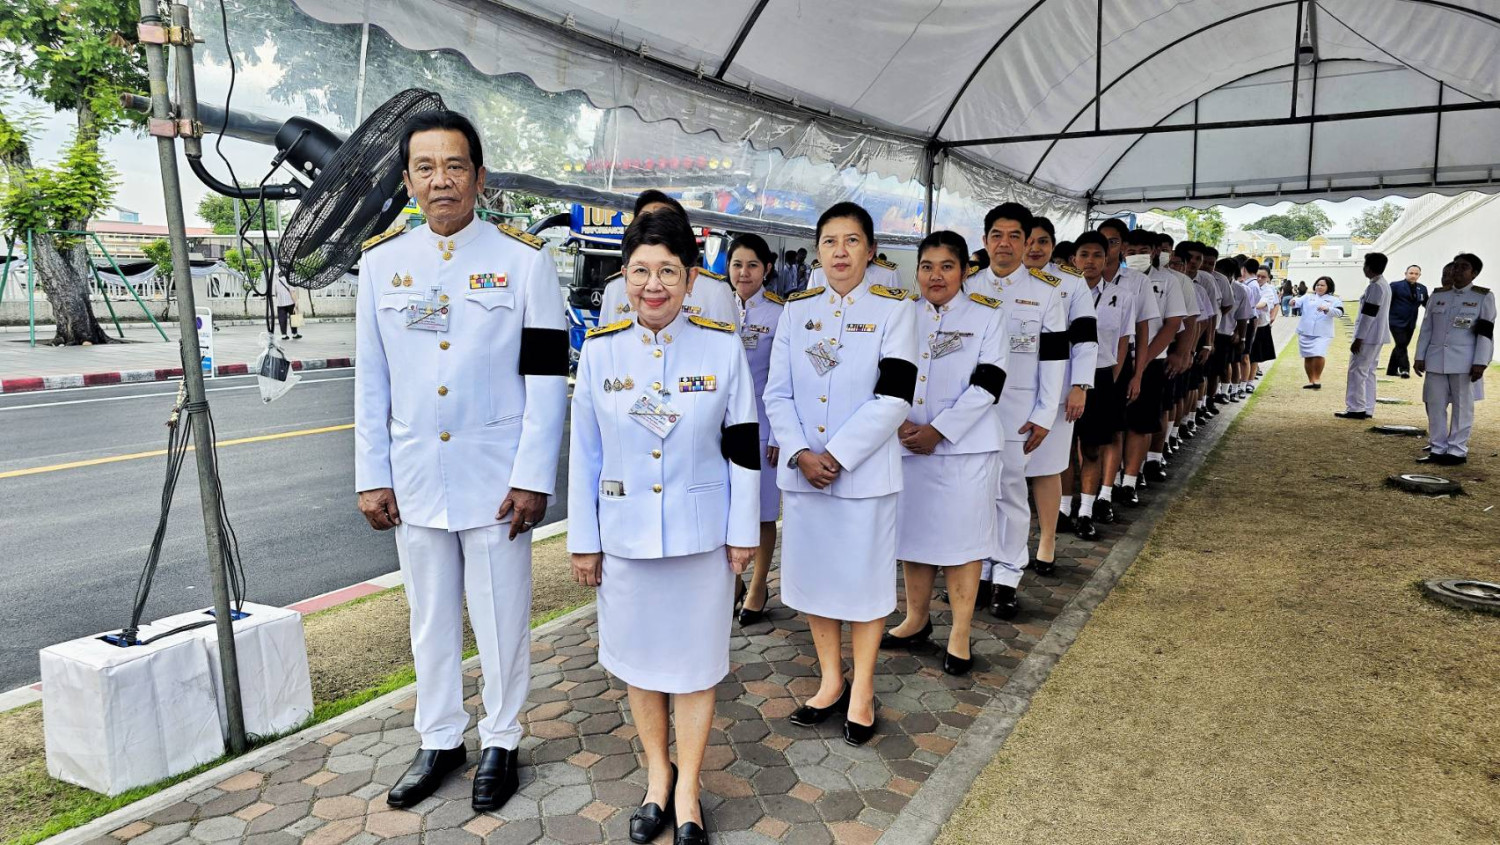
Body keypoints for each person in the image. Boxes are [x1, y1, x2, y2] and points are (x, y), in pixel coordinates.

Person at [355, 110, 569, 812]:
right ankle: (440, 736)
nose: (440, 180)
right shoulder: (382, 262)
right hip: (416, 475)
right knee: (429, 615)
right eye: (425, 167)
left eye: (454, 166)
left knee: (502, 614)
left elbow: (545, 376)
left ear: (479, 176)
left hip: (498, 477)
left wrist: (535, 473)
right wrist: (372, 472)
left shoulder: (523, 259)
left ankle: (501, 738)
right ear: (409, 179)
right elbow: (371, 379)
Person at [568, 210, 760, 844]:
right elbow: (587, 453)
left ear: (690, 277)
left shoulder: (720, 345)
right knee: (643, 668)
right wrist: (584, 541)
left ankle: (688, 794)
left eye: (668, 272)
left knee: (698, 667)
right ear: (624, 276)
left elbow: (743, 446)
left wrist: (743, 532)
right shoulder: (600, 353)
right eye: (641, 271)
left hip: (701, 541)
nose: (654, 285)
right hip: (624, 543)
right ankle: (656, 778)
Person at [764, 201, 917, 746]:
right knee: (816, 581)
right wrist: (803, 450)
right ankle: (830, 680)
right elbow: (776, 392)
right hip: (806, 476)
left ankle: (863, 689)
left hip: (866, 477)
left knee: (865, 585)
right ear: (818, 250)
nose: (840, 252)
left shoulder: (896, 310)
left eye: (852, 241)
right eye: (830, 241)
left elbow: (896, 395)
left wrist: (841, 454)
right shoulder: (795, 309)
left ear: (871, 250)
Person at [881, 231, 1007, 675]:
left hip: (965, 450)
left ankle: (960, 632)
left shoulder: (988, 316)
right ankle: (916, 619)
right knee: (913, 537)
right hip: (906, 443)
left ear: (965, 270)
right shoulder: (900, 314)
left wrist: (940, 430)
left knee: (963, 542)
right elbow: (879, 374)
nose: (936, 276)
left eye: (947, 266)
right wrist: (896, 422)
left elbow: (989, 383)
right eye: (927, 266)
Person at [973, 202, 1067, 617]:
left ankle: (1007, 576)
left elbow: (1054, 359)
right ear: (985, 240)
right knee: (975, 492)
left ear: (1027, 242)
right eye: (997, 235)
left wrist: (1046, 414)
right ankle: (976, 570)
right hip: (972, 412)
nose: (1005, 244)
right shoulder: (967, 287)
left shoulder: (1046, 293)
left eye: (1014, 236)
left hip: (1019, 410)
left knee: (1011, 492)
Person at [1021, 217, 1095, 575]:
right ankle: (1007, 548)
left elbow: (1085, 338)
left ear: (1053, 245)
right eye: (1029, 240)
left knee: (1047, 468)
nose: (1034, 248)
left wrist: (1080, 385)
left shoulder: (1070, 282)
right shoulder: (993, 281)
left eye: (1043, 242)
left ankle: (1047, 540)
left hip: (1058, 390)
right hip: (1006, 392)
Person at [727, 233, 786, 625]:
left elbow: (786, 379)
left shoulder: (781, 314)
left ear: (766, 269)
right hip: (724, 430)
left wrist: (781, 435)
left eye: (751, 265)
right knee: (726, 508)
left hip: (764, 430)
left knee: (763, 514)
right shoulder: (713, 308)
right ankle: (731, 584)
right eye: (736, 264)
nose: (743, 272)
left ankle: (760, 584)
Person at [1068, 232, 1133, 540]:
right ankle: (1063, 508)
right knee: (1063, 449)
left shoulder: (1122, 296)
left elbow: (1122, 341)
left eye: (1097, 255)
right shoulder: (1060, 293)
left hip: (1101, 377)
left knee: (1092, 448)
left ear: (1108, 260)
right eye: (1084, 255)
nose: (1090, 261)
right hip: (1065, 378)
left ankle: (1085, 511)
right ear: (1073, 259)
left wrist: (1113, 377)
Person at [599, 191, 740, 327]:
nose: (652, 287)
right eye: (645, 221)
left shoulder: (715, 290)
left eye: (665, 221)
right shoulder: (614, 288)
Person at [1415, 255, 1494, 465]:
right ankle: (1437, 448)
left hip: (1464, 361)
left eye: (1464, 267)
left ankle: (1457, 450)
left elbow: (1485, 333)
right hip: (1435, 359)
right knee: (1434, 404)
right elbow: (1427, 328)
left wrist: (1481, 361)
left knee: (1462, 406)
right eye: (1456, 267)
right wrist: (1419, 356)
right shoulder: (1438, 295)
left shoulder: (1483, 297)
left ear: (1474, 273)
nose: (1457, 271)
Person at [1337, 252, 1392, 420]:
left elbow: (1369, 314)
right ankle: (1367, 406)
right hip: (1377, 336)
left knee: (1357, 371)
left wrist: (1359, 338)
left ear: (1368, 267)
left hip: (1368, 337)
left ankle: (1356, 407)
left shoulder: (1375, 286)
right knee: (1369, 372)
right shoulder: (1383, 284)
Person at [1295, 277, 1341, 388]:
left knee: (1319, 353)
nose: (1319, 287)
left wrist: (1327, 309)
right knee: (1308, 356)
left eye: (1322, 285)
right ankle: (1311, 380)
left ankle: (1317, 378)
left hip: (1322, 332)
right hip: (1305, 331)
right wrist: (1293, 301)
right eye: (1317, 285)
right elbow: (1297, 302)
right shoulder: (1308, 297)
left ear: (1328, 287)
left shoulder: (1334, 299)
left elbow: (1339, 312)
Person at [1387, 264, 1428, 378]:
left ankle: (1391, 370)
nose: (1413, 276)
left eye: (1416, 274)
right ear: (1405, 274)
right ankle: (1405, 369)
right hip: (1395, 321)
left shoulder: (1422, 288)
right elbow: (1387, 302)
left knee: (1401, 345)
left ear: (1419, 275)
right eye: (1411, 273)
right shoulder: (1395, 286)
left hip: (1410, 322)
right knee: (1401, 344)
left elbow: (1427, 304)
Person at [1250, 267, 1279, 367]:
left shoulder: (1269, 289)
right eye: (1258, 276)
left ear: (1268, 278)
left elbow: (1274, 304)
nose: (1259, 279)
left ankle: (1250, 378)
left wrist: (1273, 317)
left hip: (1261, 323)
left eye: (1263, 277)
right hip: (1248, 323)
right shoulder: (1249, 285)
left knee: (1256, 354)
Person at [273, 274, 300, 340]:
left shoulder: (276, 282)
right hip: (290, 303)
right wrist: (296, 302)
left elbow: (275, 294)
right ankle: (294, 334)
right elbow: (292, 292)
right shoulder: (289, 281)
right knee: (293, 318)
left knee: (282, 320)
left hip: (280, 304)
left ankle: (284, 335)